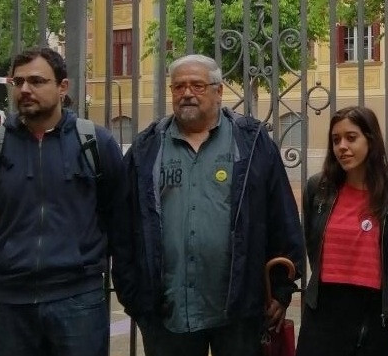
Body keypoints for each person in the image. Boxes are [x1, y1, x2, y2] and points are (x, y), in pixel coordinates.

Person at [112, 54, 306, 356]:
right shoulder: (147, 148)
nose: (187, 93)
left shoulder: (252, 143)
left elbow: (282, 216)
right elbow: (123, 226)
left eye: (197, 85)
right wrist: (134, 297)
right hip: (167, 313)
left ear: (218, 91)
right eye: (179, 87)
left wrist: (281, 291)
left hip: (239, 311)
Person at [0, 46, 126, 356]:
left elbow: (118, 214)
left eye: (37, 81)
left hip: (78, 300)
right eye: (18, 82)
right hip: (9, 301)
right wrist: (1, 256)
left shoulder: (94, 143)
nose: (25, 89)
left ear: (62, 87)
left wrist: (85, 255)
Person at [298, 105, 388, 356]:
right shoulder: (317, 189)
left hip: (373, 313)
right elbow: (311, 242)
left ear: (370, 140)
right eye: (335, 140)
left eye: (351, 138)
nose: (342, 146)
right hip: (323, 310)